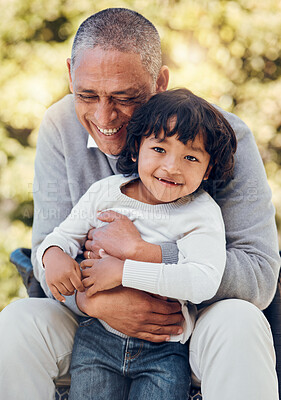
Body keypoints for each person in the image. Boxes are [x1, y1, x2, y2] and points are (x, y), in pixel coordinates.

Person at [0, 8, 279, 400]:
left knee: (241, 322)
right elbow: (52, 248)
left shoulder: (222, 138)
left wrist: (145, 256)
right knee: (16, 323)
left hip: (186, 323)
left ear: (160, 81)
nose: (104, 116)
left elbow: (259, 276)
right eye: (87, 95)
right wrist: (95, 301)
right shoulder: (60, 126)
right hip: (95, 318)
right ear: (69, 74)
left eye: (124, 98)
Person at [37, 88, 236, 399]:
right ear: (135, 148)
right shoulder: (105, 193)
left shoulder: (202, 213)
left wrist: (123, 271)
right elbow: (63, 235)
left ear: (208, 169)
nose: (172, 167)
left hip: (164, 350)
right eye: (159, 149)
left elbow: (202, 282)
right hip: (97, 338)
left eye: (191, 157)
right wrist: (52, 254)